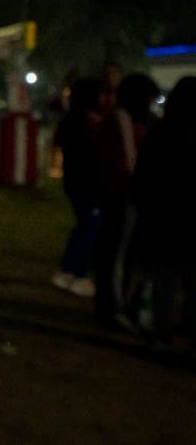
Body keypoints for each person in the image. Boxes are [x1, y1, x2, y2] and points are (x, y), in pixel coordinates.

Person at [133, 77, 196, 349]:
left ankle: (161, 332)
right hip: (190, 218)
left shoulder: (159, 132)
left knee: (165, 279)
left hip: (163, 217)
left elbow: (144, 176)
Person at [93, 72, 159, 327]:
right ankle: (113, 309)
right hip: (121, 195)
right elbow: (128, 161)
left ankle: (112, 305)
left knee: (118, 253)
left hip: (121, 194)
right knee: (116, 255)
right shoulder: (122, 119)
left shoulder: (126, 119)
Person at [50, 77, 105, 297]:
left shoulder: (70, 118)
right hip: (88, 182)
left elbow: (58, 144)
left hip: (73, 181)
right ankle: (79, 275)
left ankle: (66, 271)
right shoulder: (89, 121)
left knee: (82, 226)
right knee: (89, 228)